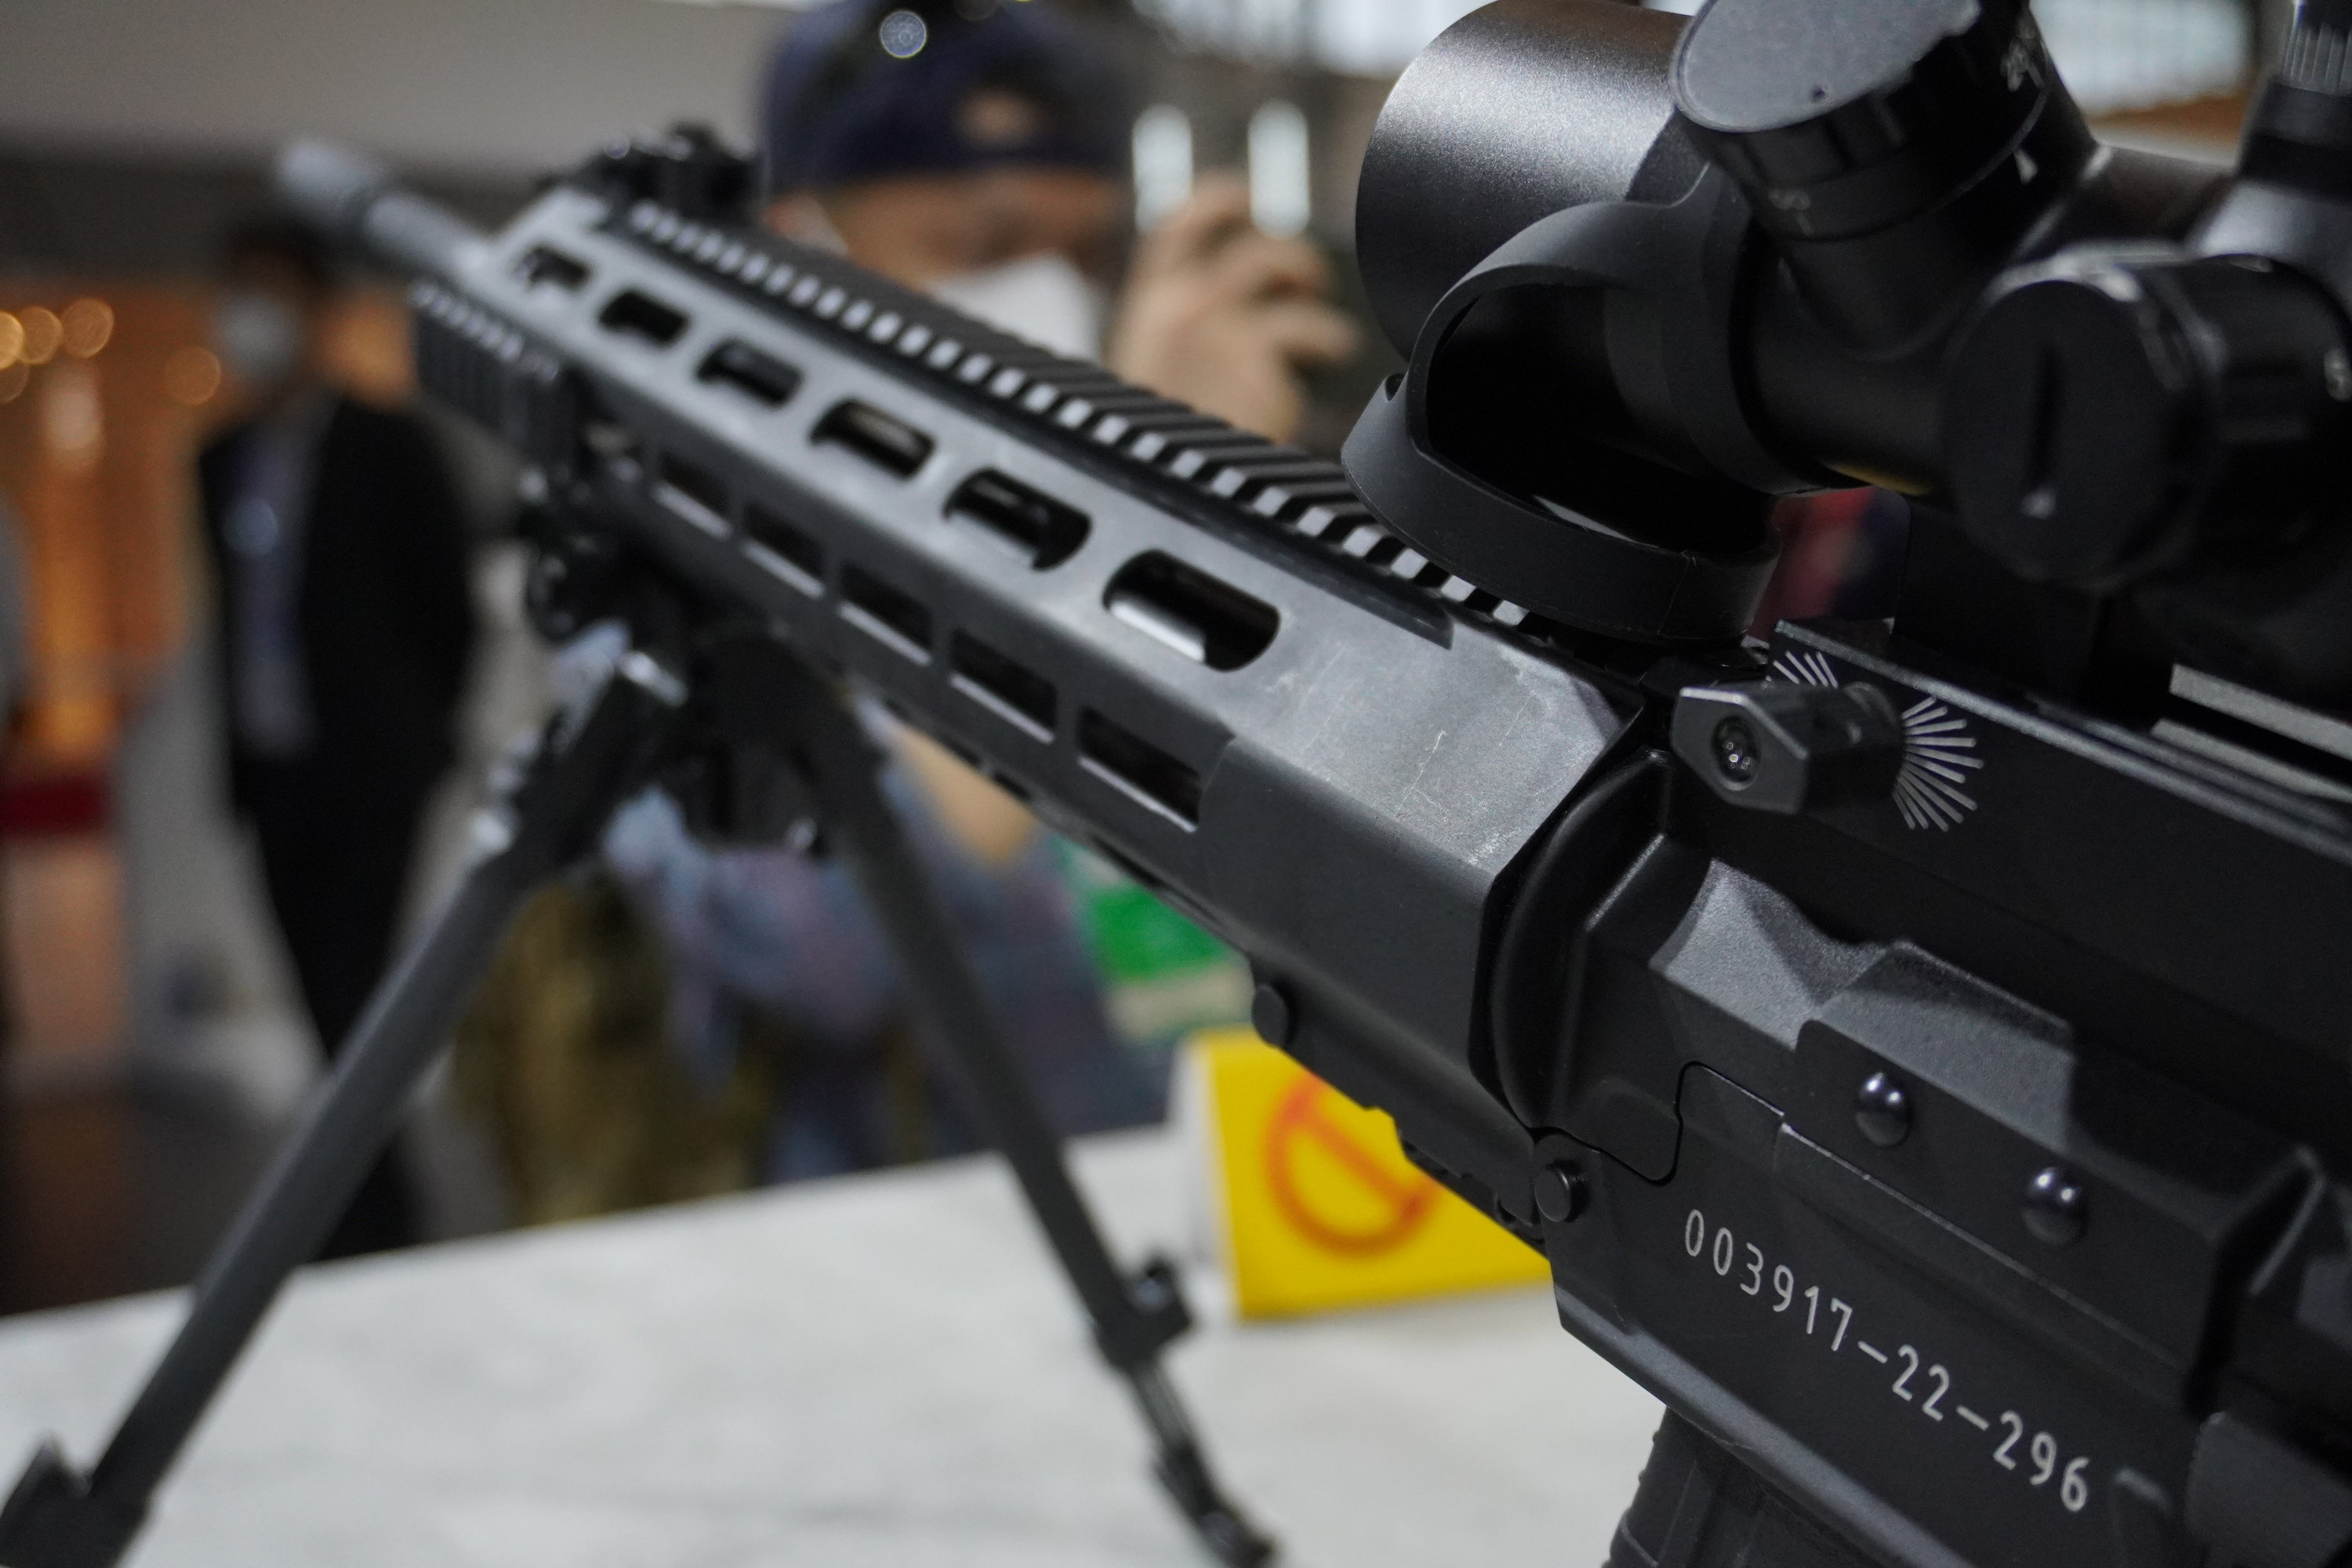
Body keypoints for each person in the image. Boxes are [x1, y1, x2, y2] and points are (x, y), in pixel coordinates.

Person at [459, 0, 1357, 1203]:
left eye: (1083, 255)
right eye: (982, 246)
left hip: (1236, 1203)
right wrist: (1122, 533)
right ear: (801, 253)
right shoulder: (688, 540)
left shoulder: (1215, 502)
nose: (1045, 294)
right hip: (902, 1242)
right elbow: (827, 948)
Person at [195, 218, 477, 1256]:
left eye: (270, 294)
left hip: (373, 773)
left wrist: (417, 730)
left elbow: (446, 609)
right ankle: (359, 1195)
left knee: (362, 991)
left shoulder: (388, 447)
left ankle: (370, 1209)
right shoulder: (221, 459)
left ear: (316, 309)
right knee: (317, 991)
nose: (251, 320)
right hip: (276, 769)